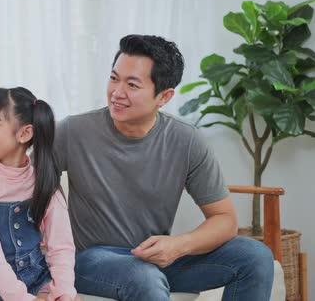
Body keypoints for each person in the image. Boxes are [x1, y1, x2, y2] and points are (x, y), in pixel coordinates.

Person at [53, 35, 275, 300]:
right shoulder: (72, 131)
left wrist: (179, 245)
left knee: (255, 256)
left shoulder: (186, 140)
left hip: (156, 260)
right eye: (114, 78)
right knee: (143, 276)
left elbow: (225, 220)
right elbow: (25, 187)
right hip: (94, 260)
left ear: (164, 96)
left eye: (132, 84)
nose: (117, 92)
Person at [0, 87, 79, 301]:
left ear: (25, 133)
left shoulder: (44, 181)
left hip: (38, 279)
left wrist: (64, 292)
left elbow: (61, 247)